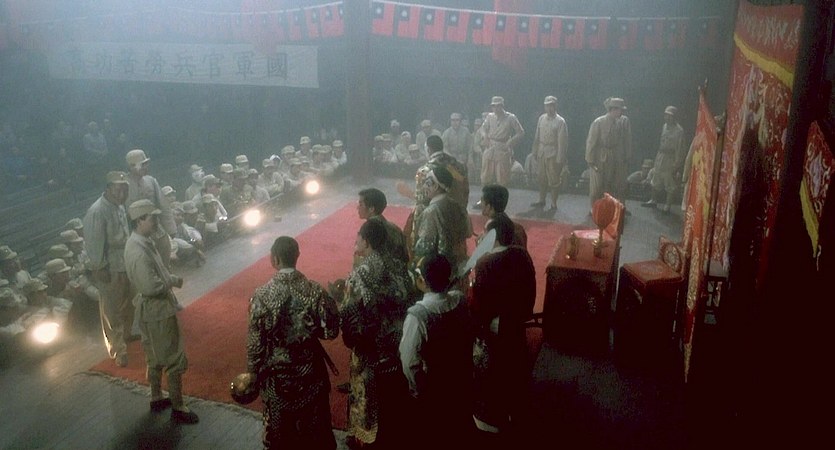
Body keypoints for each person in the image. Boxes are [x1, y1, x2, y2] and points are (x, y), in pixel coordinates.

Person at [246, 236, 340, 449]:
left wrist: (252, 371)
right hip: (311, 372)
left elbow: (255, 340)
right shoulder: (315, 290)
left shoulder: (261, 295)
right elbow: (331, 331)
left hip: (277, 375)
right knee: (316, 432)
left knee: (281, 434)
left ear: (274, 259)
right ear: (297, 256)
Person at [340, 220, 416, 449]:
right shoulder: (399, 266)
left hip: (371, 349)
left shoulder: (360, 274)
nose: (356, 240)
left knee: (367, 395)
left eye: (359, 236)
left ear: (367, 241)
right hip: (397, 342)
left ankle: (366, 436)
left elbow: (349, 315)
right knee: (393, 392)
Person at [124, 199, 198, 424]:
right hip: (157, 308)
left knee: (154, 355)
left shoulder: (141, 242)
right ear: (139, 220)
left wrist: (169, 279)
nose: (156, 221)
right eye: (152, 218)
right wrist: (171, 281)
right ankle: (178, 405)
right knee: (173, 356)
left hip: (151, 308)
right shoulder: (138, 250)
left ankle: (156, 396)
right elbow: (150, 286)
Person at [470, 214, 536, 436]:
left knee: (494, 371)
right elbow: (530, 290)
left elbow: (481, 305)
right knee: (515, 365)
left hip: (495, 327)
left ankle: (492, 417)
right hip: (517, 321)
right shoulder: (521, 254)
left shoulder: (486, 263)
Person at [399, 253, 474, 446]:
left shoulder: (418, 316)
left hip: (433, 391)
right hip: (460, 384)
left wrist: (417, 391)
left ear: (423, 281)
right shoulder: (460, 300)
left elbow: (409, 363)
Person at [412, 165, 470, 274]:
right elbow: (466, 232)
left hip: (437, 269)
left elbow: (424, 246)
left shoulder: (431, 212)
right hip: (455, 264)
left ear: (436, 186)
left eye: (428, 183)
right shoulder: (456, 205)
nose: (424, 186)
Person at [125, 149, 176, 268]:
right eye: (142, 164)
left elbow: (163, 205)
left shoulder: (151, 181)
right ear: (132, 166)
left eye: (146, 163)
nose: (146, 167)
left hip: (156, 228)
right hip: (136, 232)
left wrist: (171, 229)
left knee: (164, 254)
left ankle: (166, 275)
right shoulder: (124, 186)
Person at [585, 97, 632, 208]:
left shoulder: (619, 123)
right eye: (620, 110)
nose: (622, 112)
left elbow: (622, 141)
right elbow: (591, 142)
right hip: (599, 157)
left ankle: (605, 208)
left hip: (613, 157)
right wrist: (590, 159)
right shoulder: (599, 122)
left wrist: (624, 157)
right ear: (613, 109)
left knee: (609, 185)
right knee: (596, 186)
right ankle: (593, 208)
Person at [642, 106, 687, 212]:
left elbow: (680, 149)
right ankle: (653, 200)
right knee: (656, 177)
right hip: (661, 156)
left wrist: (677, 164)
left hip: (670, 158)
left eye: (670, 116)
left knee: (669, 181)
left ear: (674, 117)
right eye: (666, 115)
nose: (667, 118)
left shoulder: (679, 131)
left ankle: (667, 205)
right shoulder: (664, 126)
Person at [530, 95, 569, 210]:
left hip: (553, 153)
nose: (549, 108)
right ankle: (541, 199)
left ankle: (553, 202)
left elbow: (562, 142)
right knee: (541, 178)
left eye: (551, 105)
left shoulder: (560, 121)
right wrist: (534, 150)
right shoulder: (541, 118)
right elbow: (537, 136)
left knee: (554, 180)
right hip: (542, 151)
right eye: (547, 106)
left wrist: (560, 158)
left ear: (555, 106)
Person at [479, 96, 525, 187]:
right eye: (493, 106)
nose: (496, 108)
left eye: (498, 106)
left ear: (502, 106)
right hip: (490, 147)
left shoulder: (510, 117)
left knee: (502, 178)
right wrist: (485, 136)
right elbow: (482, 129)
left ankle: (501, 195)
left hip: (502, 147)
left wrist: (510, 142)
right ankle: (486, 194)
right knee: (485, 177)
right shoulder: (490, 116)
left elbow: (521, 132)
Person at [357, 188, 409, 263]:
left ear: (371, 209)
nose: (357, 207)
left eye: (360, 204)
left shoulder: (370, 228)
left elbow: (361, 253)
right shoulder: (394, 227)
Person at [480, 184, 527, 249]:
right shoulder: (519, 228)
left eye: (482, 201)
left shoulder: (491, 231)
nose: (480, 204)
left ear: (489, 207)